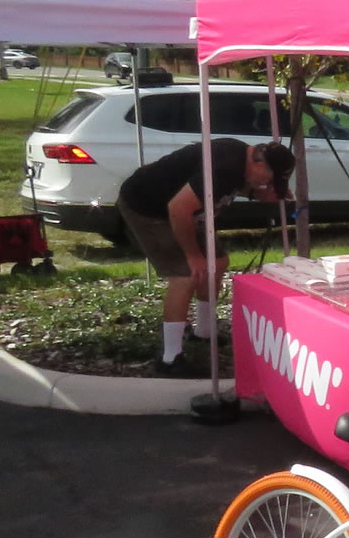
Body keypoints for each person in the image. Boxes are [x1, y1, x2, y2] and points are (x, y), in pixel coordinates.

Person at [118, 138, 294, 375]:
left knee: (218, 262)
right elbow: (178, 208)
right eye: (270, 180)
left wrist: (258, 193)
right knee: (185, 275)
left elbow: (235, 186)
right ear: (260, 164)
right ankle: (170, 358)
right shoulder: (224, 166)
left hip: (186, 211)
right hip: (149, 208)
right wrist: (192, 255)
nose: (267, 185)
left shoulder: (245, 160)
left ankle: (204, 331)